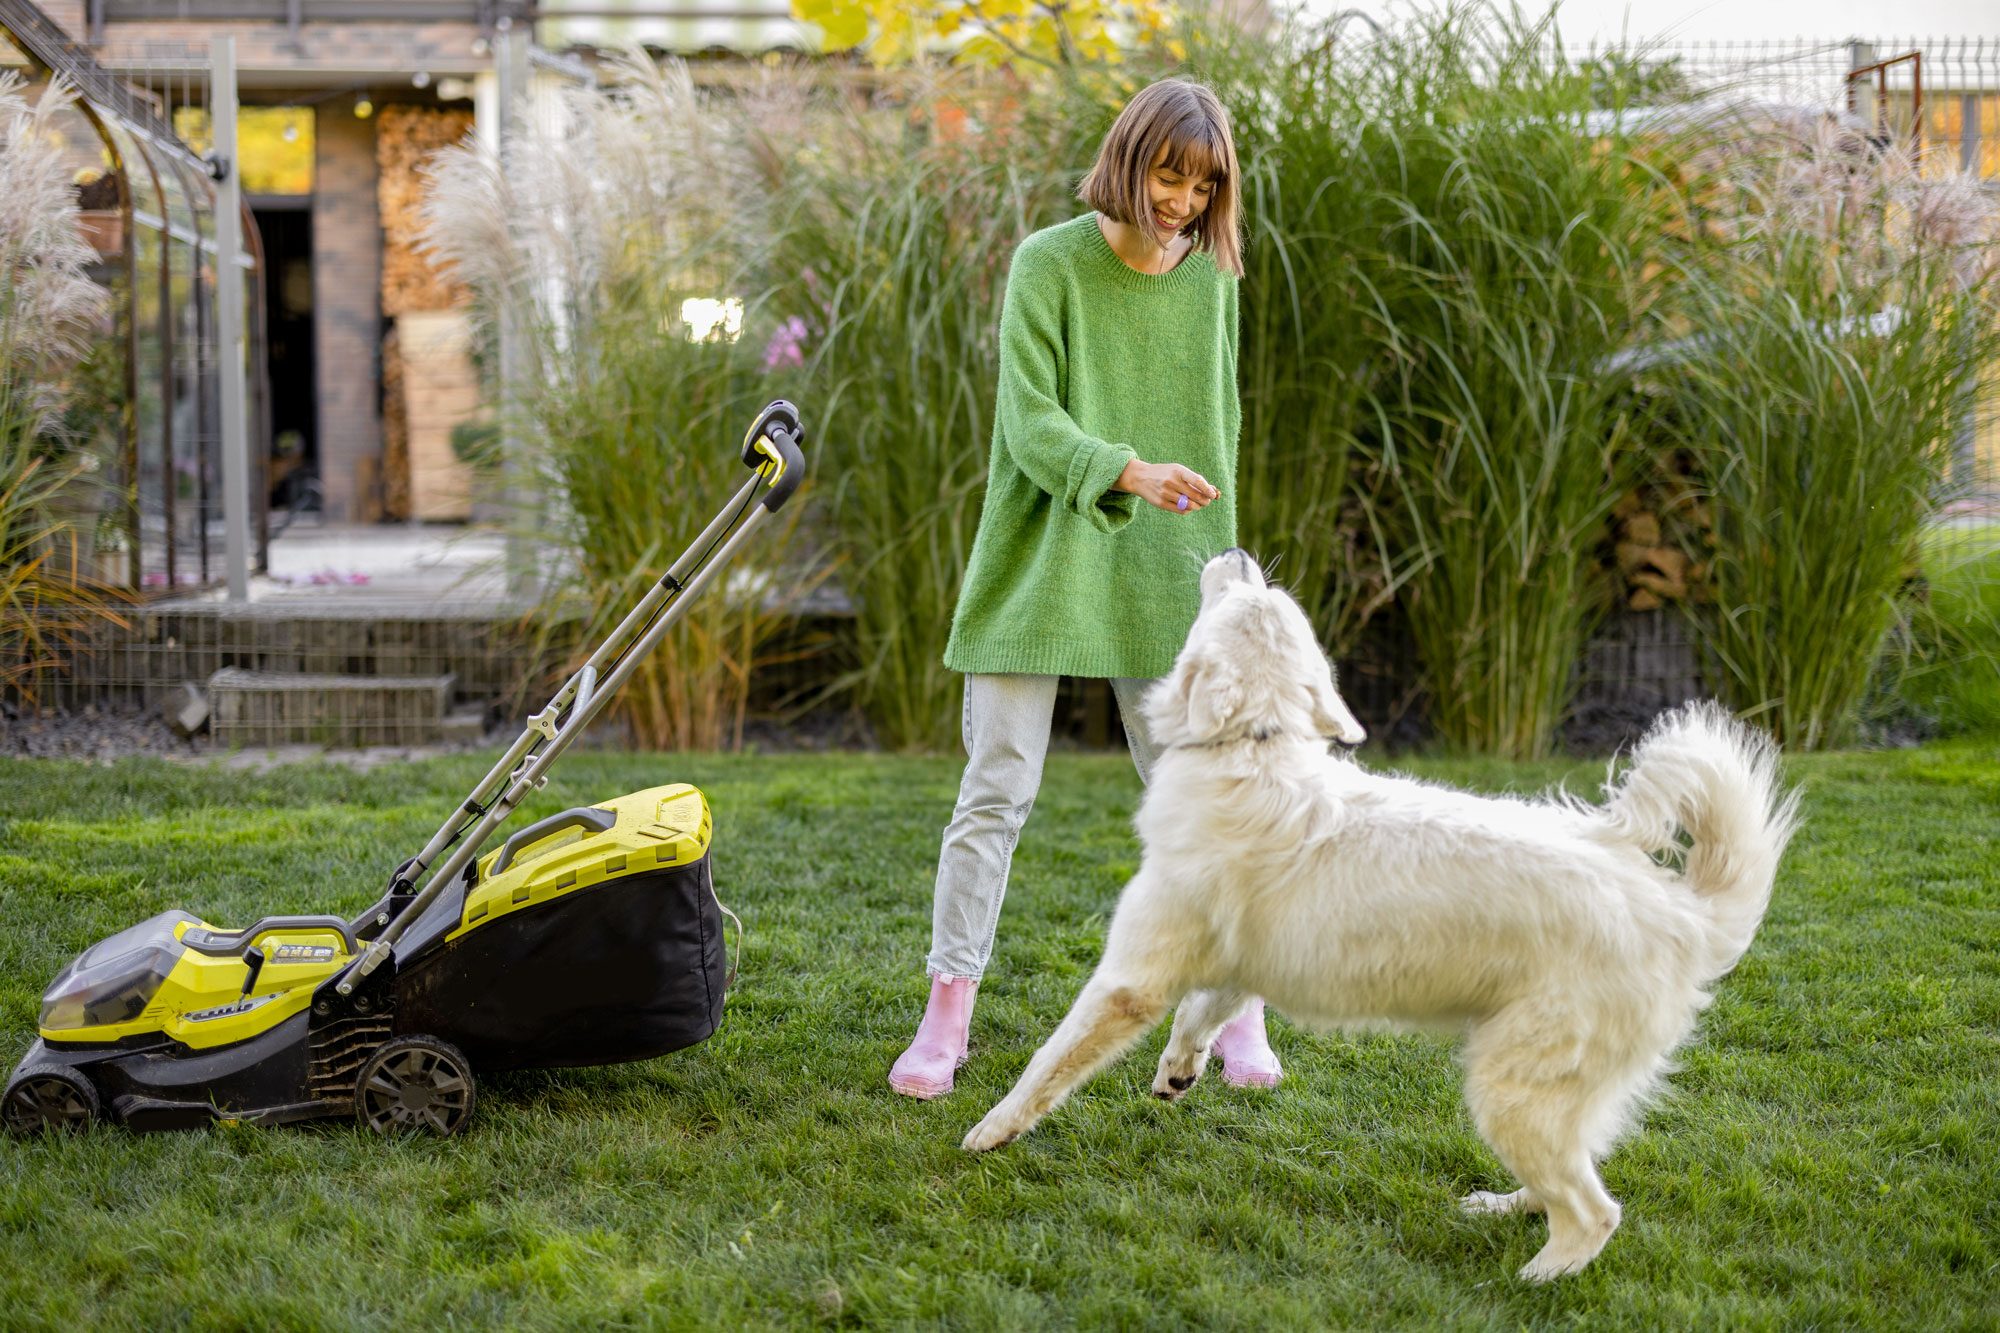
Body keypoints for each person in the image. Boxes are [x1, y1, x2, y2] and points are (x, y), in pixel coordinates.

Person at [889, 77, 1285, 1099]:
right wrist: (1129, 470)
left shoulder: (1210, 285)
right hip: (1042, 556)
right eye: (1167, 174)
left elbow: (1220, 436)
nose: (1182, 203)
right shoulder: (1047, 264)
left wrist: (1222, 576)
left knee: (1198, 801)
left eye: (1202, 187)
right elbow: (1027, 425)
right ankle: (946, 1013)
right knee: (994, 789)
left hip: (1167, 568)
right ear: (1129, 158)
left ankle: (1237, 1009)